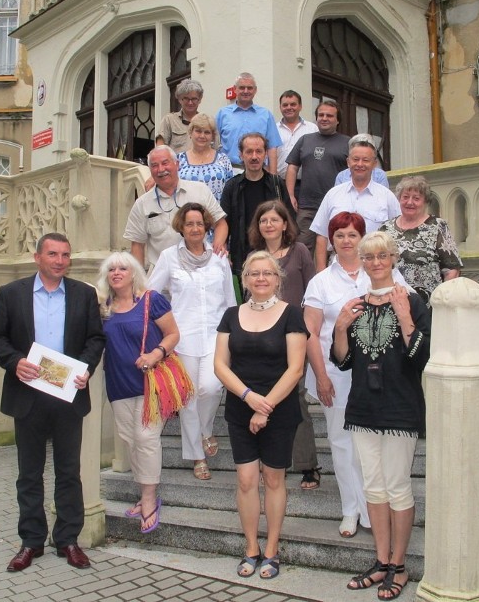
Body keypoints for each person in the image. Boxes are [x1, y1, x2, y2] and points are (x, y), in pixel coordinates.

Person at [0, 233, 106, 573]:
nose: (59, 260)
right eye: (52, 254)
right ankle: (31, 542)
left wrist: (85, 368)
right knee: (29, 473)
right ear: (37, 257)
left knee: (69, 472)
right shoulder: (12, 294)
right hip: (28, 396)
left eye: (65, 255)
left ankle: (68, 540)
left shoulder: (84, 295)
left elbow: (96, 338)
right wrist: (15, 361)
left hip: (69, 396)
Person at [332, 231, 430, 600]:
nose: (376, 263)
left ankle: (400, 565)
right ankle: (381, 561)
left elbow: (421, 357)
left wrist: (405, 318)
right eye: (368, 257)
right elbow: (342, 361)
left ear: (393, 259)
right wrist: (341, 326)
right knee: (373, 485)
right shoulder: (355, 305)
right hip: (363, 407)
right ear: (361, 261)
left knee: (397, 485)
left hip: (401, 407)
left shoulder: (412, 301)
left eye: (382, 256)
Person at [214, 251, 308, 581]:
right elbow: (220, 365)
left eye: (267, 273)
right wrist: (249, 398)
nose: (261, 278)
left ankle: (272, 549)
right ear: (245, 280)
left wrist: (264, 406)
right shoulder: (230, 315)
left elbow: (295, 368)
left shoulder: (291, 315)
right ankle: (251, 548)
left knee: (273, 479)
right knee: (245, 480)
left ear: (278, 279)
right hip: (241, 407)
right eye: (254, 273)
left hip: (279, 409)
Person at [149, 203, 236, 480]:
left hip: (216, 335)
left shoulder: (219, 257)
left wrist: (234, 334)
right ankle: (197, 456)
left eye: (200, 223)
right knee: (187, 398)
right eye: (190, 224)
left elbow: (230, 301)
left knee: (210, 388)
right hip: (182, 337)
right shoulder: (168, 257)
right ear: (181, 227)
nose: (196, 228)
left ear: (207, 226)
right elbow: (151, 294)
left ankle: (206, 431)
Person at [96, 251, 181, 534]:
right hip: (118, 384)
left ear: (134, 273)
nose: (117, 273)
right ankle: (144, 490)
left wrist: (155, 354)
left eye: (123, 268)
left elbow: (172, 334)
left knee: (146, 438)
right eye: (112, 269)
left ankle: (148, 499)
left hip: (150, 383)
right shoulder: (104, 306)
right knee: (130, 439)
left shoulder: (151, 300)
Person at [303, 212, 370, 537]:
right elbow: (311, 334)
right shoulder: (321, 281)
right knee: (342, 444)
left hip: (375, 376)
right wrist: (322, 377)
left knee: (370, 444)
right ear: (331, 240)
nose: (346, 240)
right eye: (340, 234)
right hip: (335, 374)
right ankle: (350, 510)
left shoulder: (380, 272)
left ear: (362, 238)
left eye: (352, 234)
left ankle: (373, 511)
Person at [247, 200, 319, 489]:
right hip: (263, 337)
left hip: (293, 335)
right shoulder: (255, 256)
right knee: (266, 396)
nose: (269, 225)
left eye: (274, 220)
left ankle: (307, 464)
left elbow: (312, 290)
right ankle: (270, 460)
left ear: (285, 224)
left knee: (296, 397)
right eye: (264, 220)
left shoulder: (300, 251)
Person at [124, 145, 228, 270]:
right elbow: (137, 245)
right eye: (154, 165)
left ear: (177, 164)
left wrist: (218, 245)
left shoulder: (200, 190)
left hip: (199, 273)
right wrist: (139, 283)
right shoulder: (142, 204)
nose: (161, 169)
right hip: (162, 279)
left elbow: (220, 224)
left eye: (165, 163)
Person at [309, 134, 401, 271]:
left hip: (376, 269)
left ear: (374, 164)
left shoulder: (387, 196)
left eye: (365, 160)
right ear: (348, 162)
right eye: (355, 159)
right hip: (338, 269)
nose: (360, 164)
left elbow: (397, 235)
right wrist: (321, 271)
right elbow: (321, 236)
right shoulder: (333, 194)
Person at [379, 174, 463, 307]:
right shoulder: (385, 228)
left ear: (425, 201)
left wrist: (444, 303)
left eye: (416, 198)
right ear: (399, 199)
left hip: (428, 305)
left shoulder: (437, 226)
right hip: (391, 302)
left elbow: (452, 269)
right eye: (405, 197)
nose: (409, 202)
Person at [220, 133, 292, 278]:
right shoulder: (232, 187)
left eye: (259, 151)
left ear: (265, 154)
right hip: (242, 257)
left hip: (275, 256)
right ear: (241, 155)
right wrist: (225, 252)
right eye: (249, 151)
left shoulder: (277, 184)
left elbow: (289, 221)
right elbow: (223, 224)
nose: (254, 156)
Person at [285, 100, 350, 255]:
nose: (324, 118)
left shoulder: (348, 143)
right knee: (301, 248)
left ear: (338, 120)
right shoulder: (305, 140)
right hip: (307, 206)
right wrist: (290, 194)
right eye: (321, 115)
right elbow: (292, 167)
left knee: (335, 249)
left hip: (336, 206)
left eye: (329, 115)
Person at [215, 72, 282, 173]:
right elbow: (213, 144)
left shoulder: (266, 115)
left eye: (249, 88)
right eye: (242, 87)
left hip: (259, 171)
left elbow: (272, 147)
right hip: (229, 171)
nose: (246, 91)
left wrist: (273, 177)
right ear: (235, 89)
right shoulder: (222, 114)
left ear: (255, 90)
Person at [177, 113, 234, 200]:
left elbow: (231, 192)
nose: (202, 136)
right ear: (190, 133)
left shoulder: (223, 159)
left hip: (216, 212)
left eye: (207, 132)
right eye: (198, 131)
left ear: (213, 136)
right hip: (186, 212)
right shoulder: (179, 160)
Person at [275, 90, 318, 179]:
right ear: (280, 107)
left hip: (306, 182)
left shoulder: (312, 129)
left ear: (300, 106)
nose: (289, 107)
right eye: (285, 105)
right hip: (279, 182)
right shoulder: (273, 129)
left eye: (293, 104)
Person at [155, 78, 205, 154]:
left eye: (194, 99)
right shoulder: (169, 120)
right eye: (186, 99)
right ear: (179, 100)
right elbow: (160, 150)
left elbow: (215, 150)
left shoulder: (206, 122)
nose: (190, 103)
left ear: (200, 99)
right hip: (178, 165)